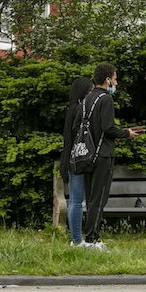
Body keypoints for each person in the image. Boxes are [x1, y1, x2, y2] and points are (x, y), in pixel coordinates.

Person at [73, 63, 144, 251]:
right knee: (100, 198)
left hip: (87, 155)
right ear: (107, 80)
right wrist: (126, 134)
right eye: (115, 78)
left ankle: (88, 238)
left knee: (90, 197)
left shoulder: (86, 100)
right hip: (103, 156)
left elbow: (77, 127)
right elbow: (108, 128)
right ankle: (92, 240)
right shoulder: (106, 100)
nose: (116, 83)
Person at [60, 77, 94, 247]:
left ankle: (76, 238)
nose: (92, 93)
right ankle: (76, 240)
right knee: (76, 200)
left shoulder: (72, 108)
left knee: (75, 199)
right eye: (90, 90)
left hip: (72, 158)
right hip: (80, 159)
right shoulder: (81, 109)